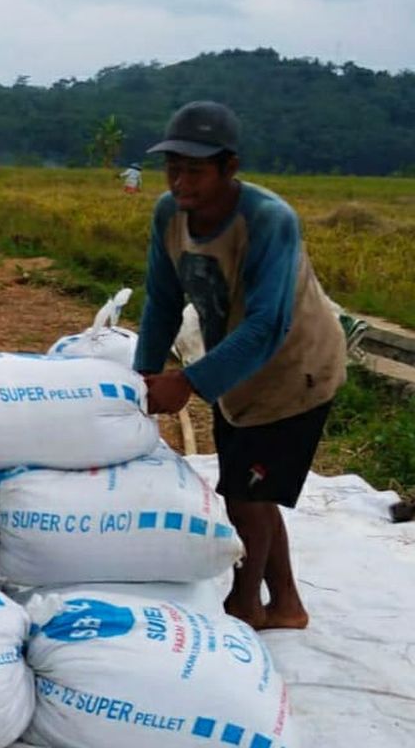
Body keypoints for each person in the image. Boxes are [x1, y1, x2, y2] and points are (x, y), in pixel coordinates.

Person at [133, 100, 345, 631]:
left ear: (229, 168)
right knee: (249, 491)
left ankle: (246, 604)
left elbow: (268, 324)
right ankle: (287, 603)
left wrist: (187, 381)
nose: (181, 182)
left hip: (295, 369)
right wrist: (142, 374)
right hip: (238, 369)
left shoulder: (268, 220)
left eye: (195, 170)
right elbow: (161, 301)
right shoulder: (169, 215)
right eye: (173, 168)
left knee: (248, 496)